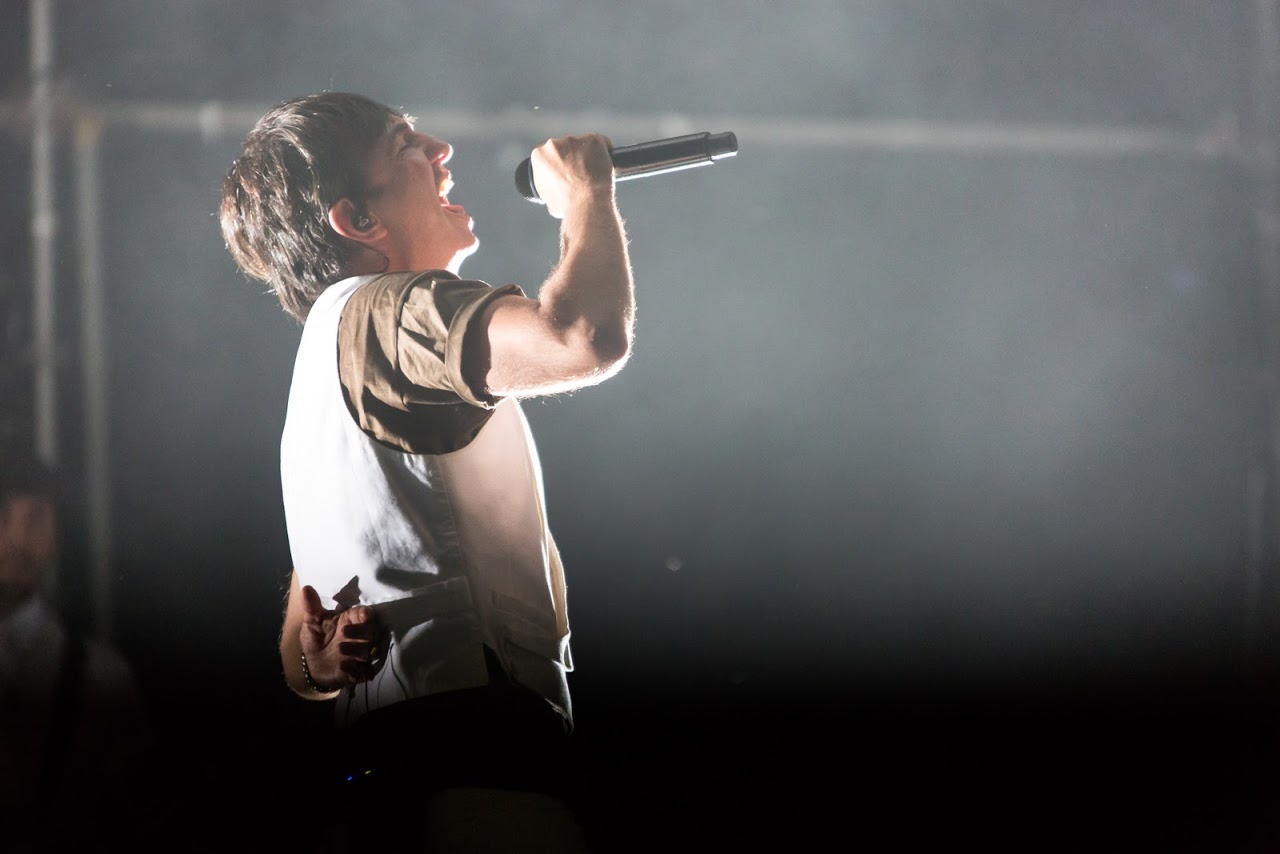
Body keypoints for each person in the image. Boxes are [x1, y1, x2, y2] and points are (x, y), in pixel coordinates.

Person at [219, 92, 635, 851]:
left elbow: (303, 640)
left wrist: (318, 662)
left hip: (392, 775)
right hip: (473, 766)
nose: (441, 150)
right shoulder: (391, 309)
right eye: (405, 143)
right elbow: (582, 336)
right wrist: (585, 197)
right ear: (358, 220)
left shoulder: (326, 356)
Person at [0, 442, 153, 852]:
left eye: (35, 518)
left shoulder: (100, 676)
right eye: (1, 516)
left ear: (56, 534)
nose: (17, 538)